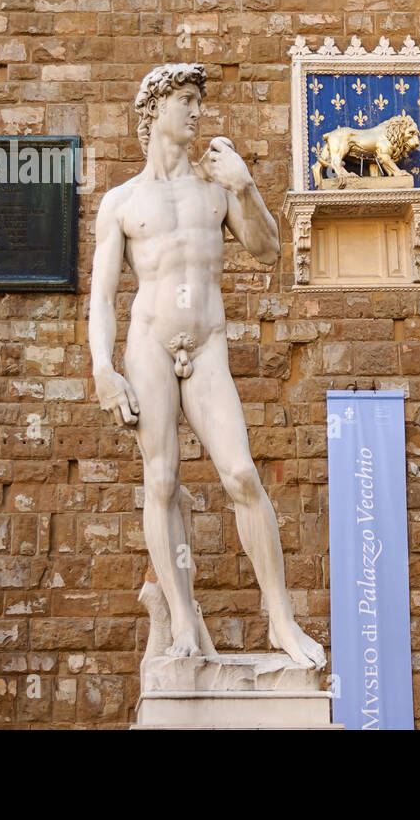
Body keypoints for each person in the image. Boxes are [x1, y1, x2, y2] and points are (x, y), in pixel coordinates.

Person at [88, 63, 325, 669]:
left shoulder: (214, 186)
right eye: (186, 101)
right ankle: (184, 618)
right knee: (161, 480)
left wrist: (245, 187)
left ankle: (280, 619)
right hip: (148, 347)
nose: (196, 112)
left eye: (198, 101)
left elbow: (269, 250)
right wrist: (102, 370)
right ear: (155, 110)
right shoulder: (121, 203)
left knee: (242, 474)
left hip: (207, 344)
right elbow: (103, 297)